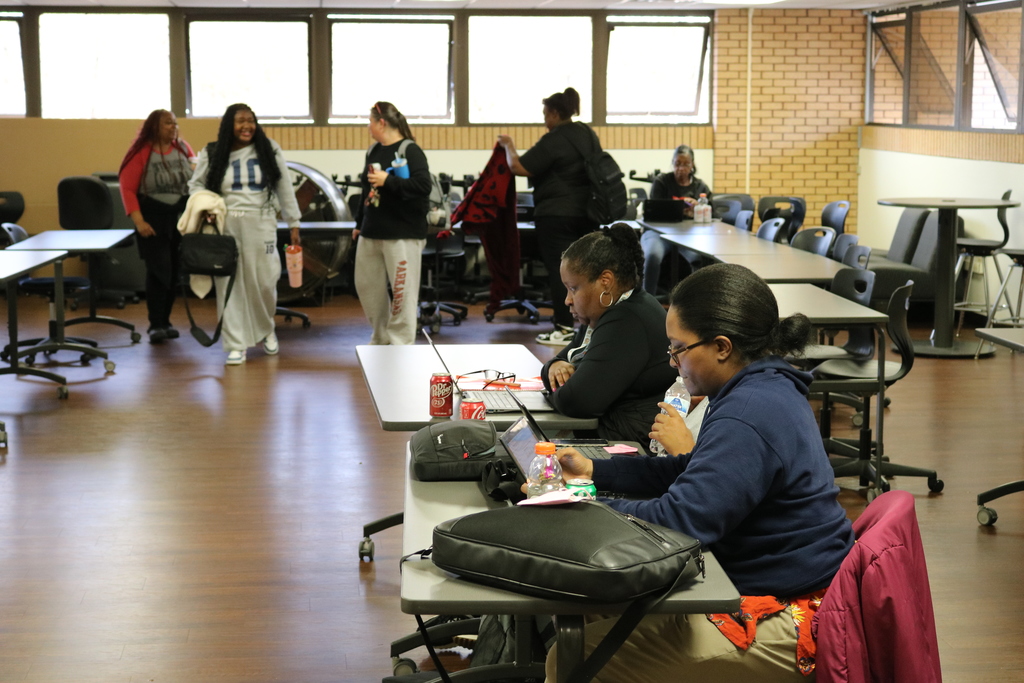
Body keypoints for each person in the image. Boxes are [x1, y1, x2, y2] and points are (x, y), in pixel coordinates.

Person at [548, 263, 855, 682]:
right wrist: (595, 473)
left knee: (571, 656)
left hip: (786, 616)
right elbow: (687, 471)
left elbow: (682, 521)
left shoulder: (747, 414)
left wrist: (581, 509)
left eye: (678, 348)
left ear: (722, 347)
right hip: (770, 583)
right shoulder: (760, 388)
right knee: (592, 602)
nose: (673, 363)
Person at [540, 224, 676, 445]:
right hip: (618, 430)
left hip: (634, 443)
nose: (567, 300)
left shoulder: (627, 319)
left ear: (605, 281)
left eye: (573, 288)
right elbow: (563, 360)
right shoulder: (605, 311)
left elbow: (577, 401)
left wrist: (554, 386)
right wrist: (553, 368)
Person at [188, 103, 301, 366]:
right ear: (229, 125)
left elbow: (284, 186)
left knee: (265, 281)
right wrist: (204, 205)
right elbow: (196, 185)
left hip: (261, 222)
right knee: (229, 286)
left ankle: (266, 329)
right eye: (240, 121)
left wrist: (294, 222)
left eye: (250, 120)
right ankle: (236, 343)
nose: (246, 126)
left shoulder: (269, 149)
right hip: (226, 225)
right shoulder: (213, 151)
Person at [497, 87, 600, 346]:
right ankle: (590, 328)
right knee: (586, 271)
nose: (545, 121)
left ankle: (564, 327)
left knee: (561, 272)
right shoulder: (586, 133)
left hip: (556, 215)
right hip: (587, 212)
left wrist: (509, 145)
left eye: (546, 115)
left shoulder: (555, 138)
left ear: (555, 113)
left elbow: (518, 166)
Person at [353, 101, 431, 346]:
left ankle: (400, 343)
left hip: (403, 234)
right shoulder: (373, 151)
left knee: (401, 294)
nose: (369, 127)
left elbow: (422, 186)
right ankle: (380, 337)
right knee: (367, 288)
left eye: (370, 122)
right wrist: (358, 223)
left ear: (382, 122)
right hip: (372, 231)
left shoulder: (410, 150)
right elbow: (367, 190)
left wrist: (389, 181)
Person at [118, 109, 194, 344]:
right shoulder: (142, 152)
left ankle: (167, 322)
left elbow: (196, 176)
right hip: (152, 218)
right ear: (154, 127)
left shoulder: (183, 148)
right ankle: (155, 324)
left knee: (173, 272)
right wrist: (139, 221)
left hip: (179, 218)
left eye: (175, 123)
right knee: (159, 271)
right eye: (167, 124)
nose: (173, 127)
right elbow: (127, 188)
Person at [641, 144, 713, 296]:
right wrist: (679, 208)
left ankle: (694, 301)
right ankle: (646, 300)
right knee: (653, 255)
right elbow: (653, 210)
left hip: (688, 235)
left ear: (692, 165)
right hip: (657, 232)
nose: (681, 168)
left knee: (698, 258)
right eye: (677, 164)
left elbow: (712, 213)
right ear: (672, 163)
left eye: (685, 164)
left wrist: (696, 208)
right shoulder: (661, 182)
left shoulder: (700, 187)